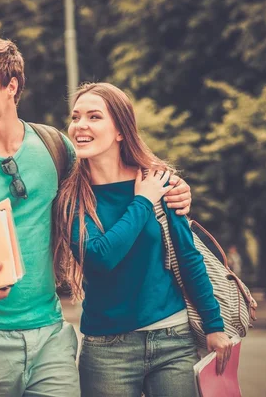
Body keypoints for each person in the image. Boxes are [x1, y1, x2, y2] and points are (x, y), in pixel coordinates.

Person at [0, 36, 192, 397]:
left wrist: (171, 183)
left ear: (12, 86)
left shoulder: (57, 148)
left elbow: (114, 173)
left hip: (50, 338)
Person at [53, 82, 232, 397]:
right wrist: (143, 201)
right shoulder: (72, 196)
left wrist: (214, 326)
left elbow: (189, 258)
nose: (80, 125)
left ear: (120, 130)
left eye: (94, 117)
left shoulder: (159, 182)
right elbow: (99, 258)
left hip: (173, 340)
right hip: (107, 350)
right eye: (76, 116)